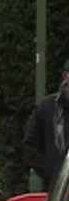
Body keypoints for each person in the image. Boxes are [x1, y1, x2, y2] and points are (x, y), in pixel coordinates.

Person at [22, 59, 69, 192]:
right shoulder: (47, 107)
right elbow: (30, 144)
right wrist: (50, 172)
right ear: (66, 76)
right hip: (58, 191)